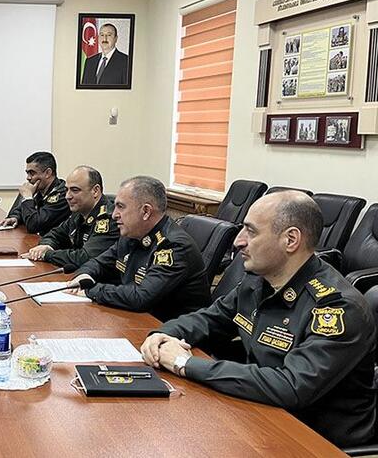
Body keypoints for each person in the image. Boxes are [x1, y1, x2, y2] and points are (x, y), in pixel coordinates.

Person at [140, 191, 375, 448]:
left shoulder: (337, 308)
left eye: (251, 231)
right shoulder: (259, 280)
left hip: (316, 440)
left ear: (291, 240)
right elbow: (209, 318)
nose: (238, 241)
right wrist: (163, 335)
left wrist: (184, 363)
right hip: (260, 413)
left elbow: (291, 386)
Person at [68, 176, 207, 321]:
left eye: (121, 207)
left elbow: (141, 296)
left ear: (146, 211)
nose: (114, 215)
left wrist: (91, 290)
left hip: (170, 329)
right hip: (137, 318)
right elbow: (98, 263)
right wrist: (84, 276)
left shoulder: (173, 246)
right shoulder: (132, 235)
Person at [22, 165, 119, 268]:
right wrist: (46, 245)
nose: (67, 196)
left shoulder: (109, 219)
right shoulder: (79, 213)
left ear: (95, 191)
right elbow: (55, 234)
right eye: (67, 190)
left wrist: (47, 254)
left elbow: (85, 258)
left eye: (75, 190)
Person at [0, 151, 70, 235]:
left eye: (32, 173)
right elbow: (14, 212)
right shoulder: (37, 189)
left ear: (48, 173)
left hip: (54, 242)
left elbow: (34, 225)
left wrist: (28, 198)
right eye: (27, 173)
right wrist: (15, 218)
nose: (28, 178)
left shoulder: (63, 195)